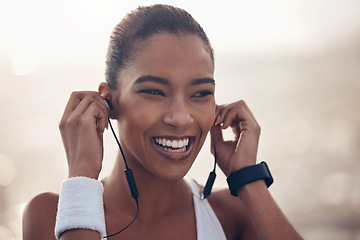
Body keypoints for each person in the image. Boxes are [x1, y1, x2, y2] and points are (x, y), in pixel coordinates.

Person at [22, 4, 303, 240]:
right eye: (154, 91)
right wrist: (82, 175)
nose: (180, 118)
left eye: (201, 93)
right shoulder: (51, 215)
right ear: (108, 102)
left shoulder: (233, 216)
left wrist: (247, 178)